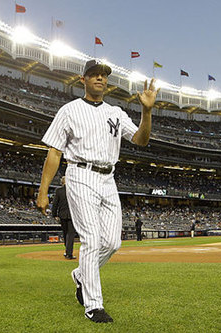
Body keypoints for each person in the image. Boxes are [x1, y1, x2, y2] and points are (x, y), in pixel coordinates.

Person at [36, 59, 159, 323]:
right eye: (93, 75)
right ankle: (93, 305)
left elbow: (140, 140)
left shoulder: (115, 112)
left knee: (113, 242)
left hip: (108, 178)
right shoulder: (69, 110)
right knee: (92, 240)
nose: (100, 79)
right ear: (83, 80)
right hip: (80, 174)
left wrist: (146, 112)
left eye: (103, 75)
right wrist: (43, 191)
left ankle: (81, 275)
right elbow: (55, 151)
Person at [51, 176, 76, 259]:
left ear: (62, 182)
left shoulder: (58, 190)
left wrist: (54, 214)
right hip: (72, 215)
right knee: (71, 234)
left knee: (65, 233)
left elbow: (55, 204)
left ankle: (67, 251)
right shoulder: (74, 190)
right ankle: (69, 253)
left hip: (62, 215)